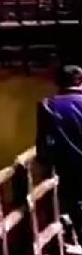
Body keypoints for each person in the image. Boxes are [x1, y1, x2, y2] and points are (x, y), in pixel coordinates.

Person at [38, 65, 82, 236]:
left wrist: (45, 161)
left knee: (75, 207)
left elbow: (43, 141)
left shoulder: (47, 105)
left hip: (68, 167)